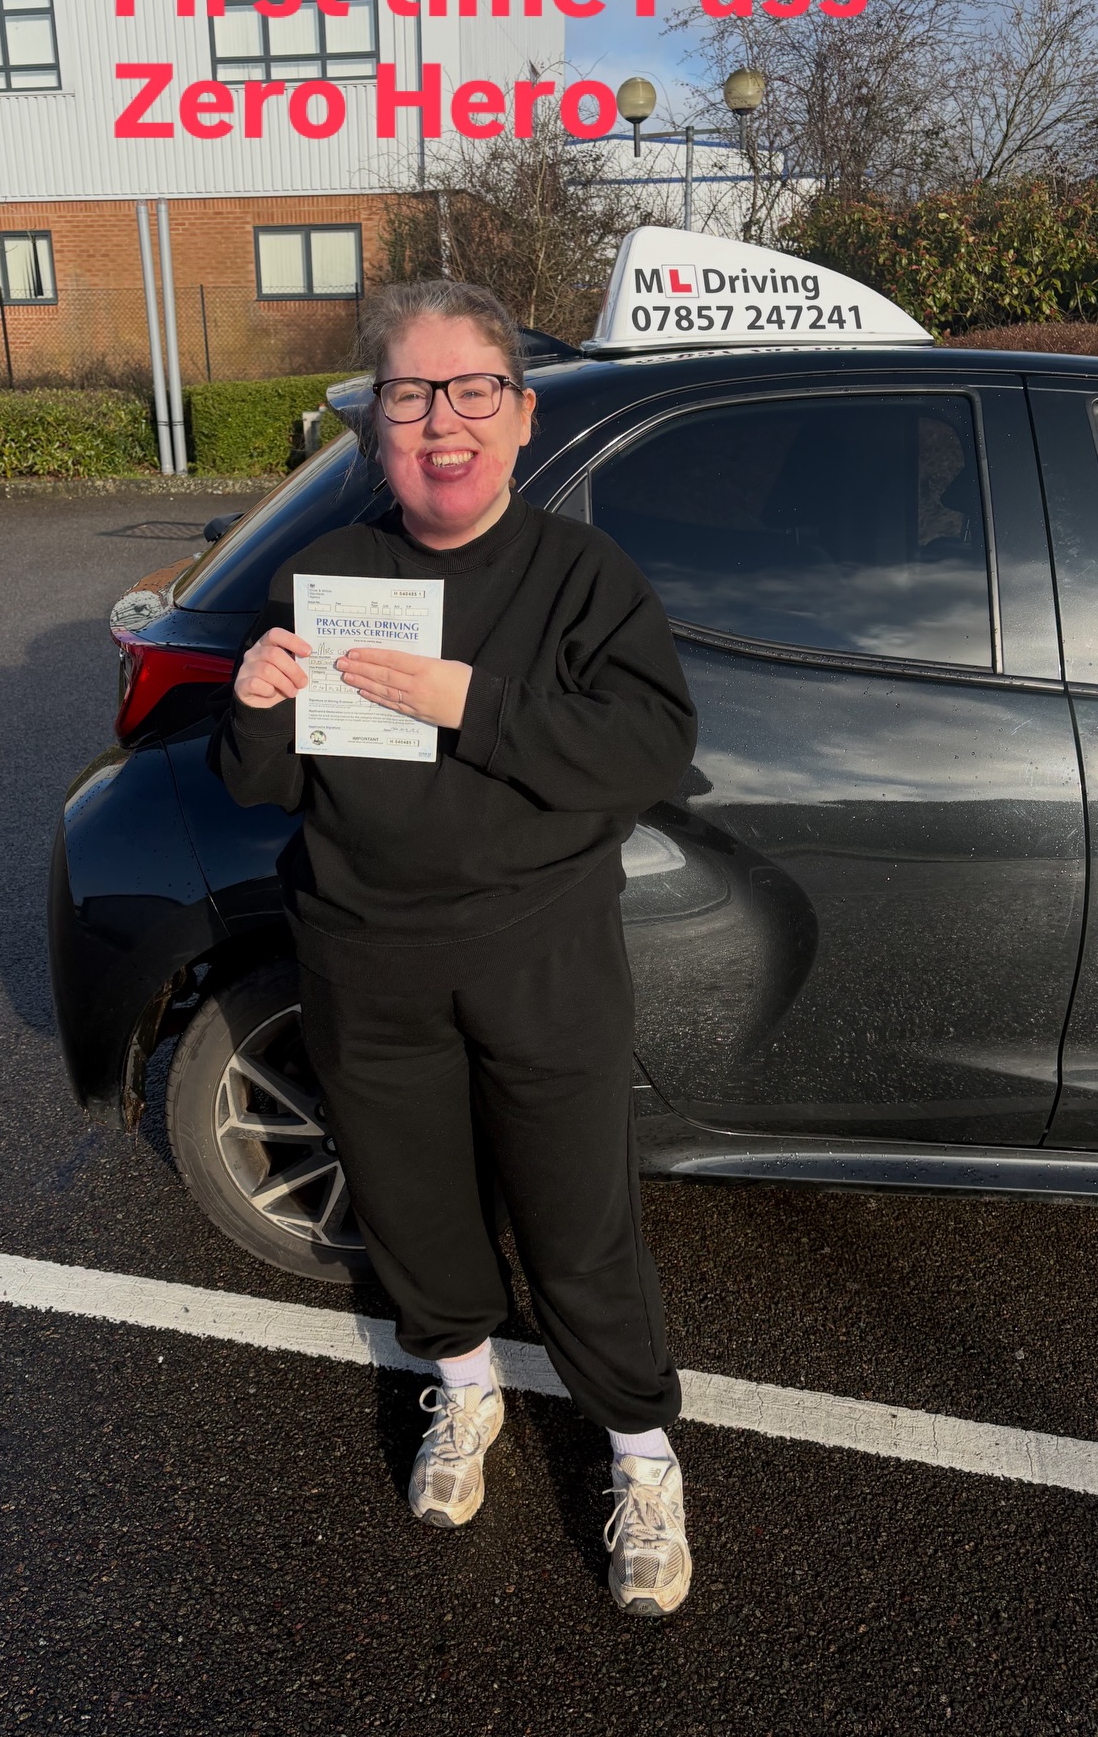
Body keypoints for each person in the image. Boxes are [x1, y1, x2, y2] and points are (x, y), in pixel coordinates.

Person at [212, 280, 699, 1615]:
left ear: (521, 416)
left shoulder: (583, 578)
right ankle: (465, 1388)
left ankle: (641, 1453)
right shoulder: (330, 577)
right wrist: (254, 706)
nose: (443, 421)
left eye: (472, 390)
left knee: (577, 1222)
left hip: (539, 956)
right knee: (415, 1210)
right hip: (365, 960)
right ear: (379, 425)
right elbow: (261, 782)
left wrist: (464, 700)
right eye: (412, 395)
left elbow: (650, 749)